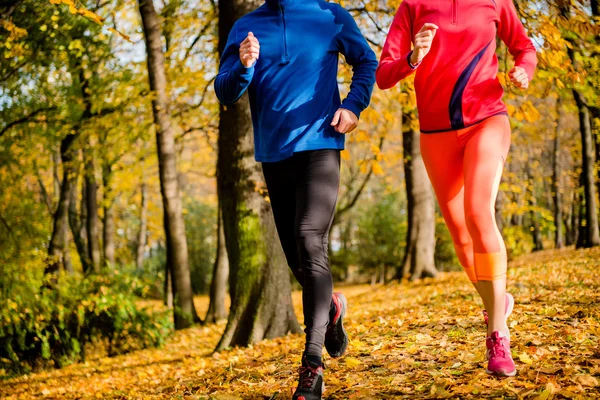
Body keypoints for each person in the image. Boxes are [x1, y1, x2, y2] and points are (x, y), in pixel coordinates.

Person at [214, 0, 377, 398]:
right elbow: (224, 90)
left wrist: (353, 105)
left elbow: (366, 62)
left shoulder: (330, 15)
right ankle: (332, 308)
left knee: (309, 240)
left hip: (321, 144)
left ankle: (312, 363)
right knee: (299, 260)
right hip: (274, 153)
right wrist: (244, 66)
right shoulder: (246, 27)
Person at [376, 0, 536, 377]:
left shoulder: (495, 2)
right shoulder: (412, 6)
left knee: (479, 212)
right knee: (460, 235)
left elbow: (524, 47)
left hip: (487, 119)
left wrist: (523, 70)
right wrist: (413, 57)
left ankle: (497, 334)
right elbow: (384, 75)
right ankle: (497, 301)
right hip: (436, 134)